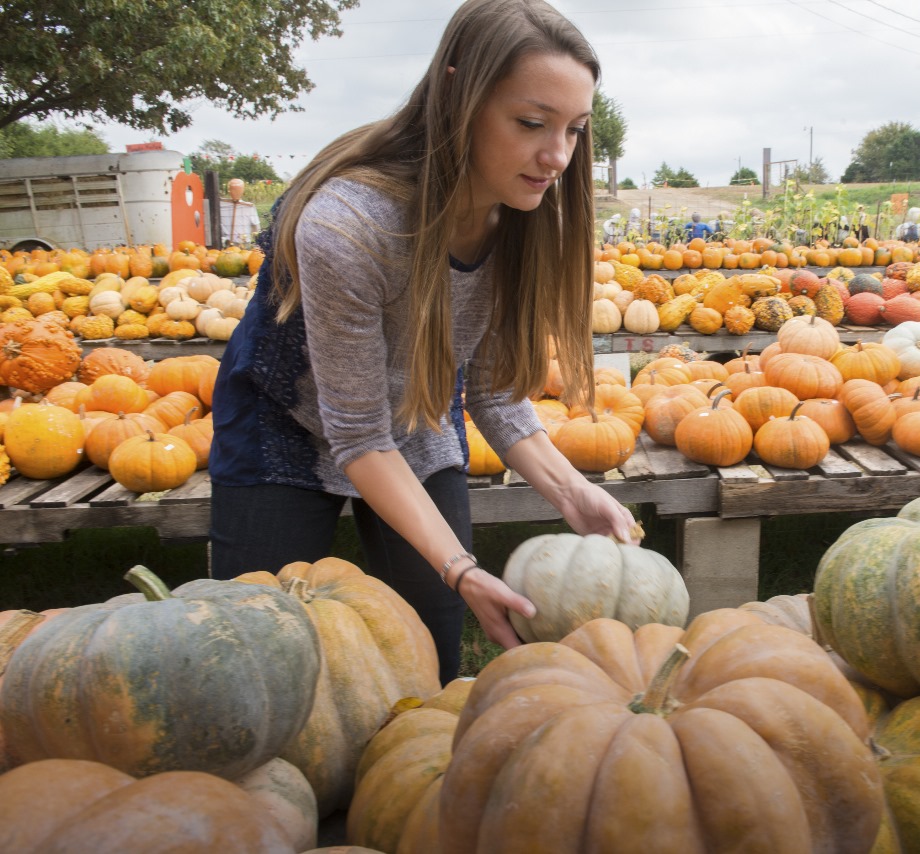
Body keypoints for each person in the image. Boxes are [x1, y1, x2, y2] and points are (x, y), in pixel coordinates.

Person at [207, 0, 637, 684]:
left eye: (575, 130)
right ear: (459, 95)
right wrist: (463, 565)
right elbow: (356, 435)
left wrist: (570, 490)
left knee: (433, 647)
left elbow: (492, 388)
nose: (557, 156)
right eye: (531, 123)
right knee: (257, 657)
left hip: (414, 418)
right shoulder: (348, 226)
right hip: (283, 425)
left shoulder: (525, 214)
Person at [219, 178, 261, 245]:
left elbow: (256, 228)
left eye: (238, 190)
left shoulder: (249, 207)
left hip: (244, 243)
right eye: (233, 189)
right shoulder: (221, 205)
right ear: (229, 190)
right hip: (225, 243)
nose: (235, 192)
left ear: (242, 190)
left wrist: (257, 241)